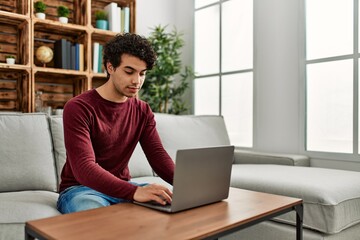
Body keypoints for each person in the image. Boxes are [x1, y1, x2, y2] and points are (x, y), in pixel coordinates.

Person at [57, 33, 175, 214]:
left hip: (123, 188)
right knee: (99, 222)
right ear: (110, 67)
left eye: (142, 73)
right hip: (81, 190)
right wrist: (135, 191)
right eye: (129, 72)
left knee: (174, 207)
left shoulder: (142, 110)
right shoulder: (78, 107)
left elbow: (158, 156)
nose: (137, 81)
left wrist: (189, 186)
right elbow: (84, 168)